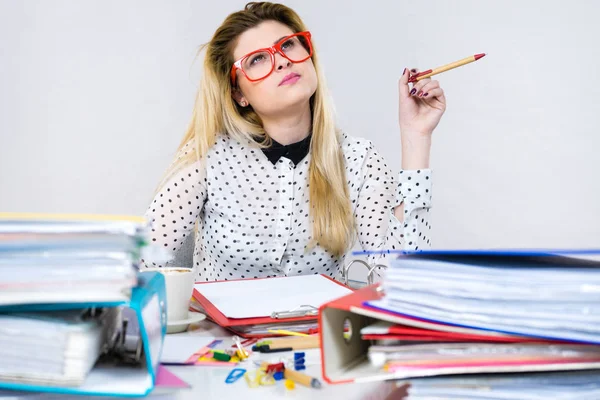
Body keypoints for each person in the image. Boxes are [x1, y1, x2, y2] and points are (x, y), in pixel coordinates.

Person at [140, 2, 446, 282]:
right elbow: (141, 261)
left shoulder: (357, 158)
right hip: (223, 341)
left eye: (288, 45)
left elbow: (403, 278)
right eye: (257, 59)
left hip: (316, 340)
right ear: (239, 94)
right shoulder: (206, 157)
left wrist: (416, 137)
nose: (283, 62)